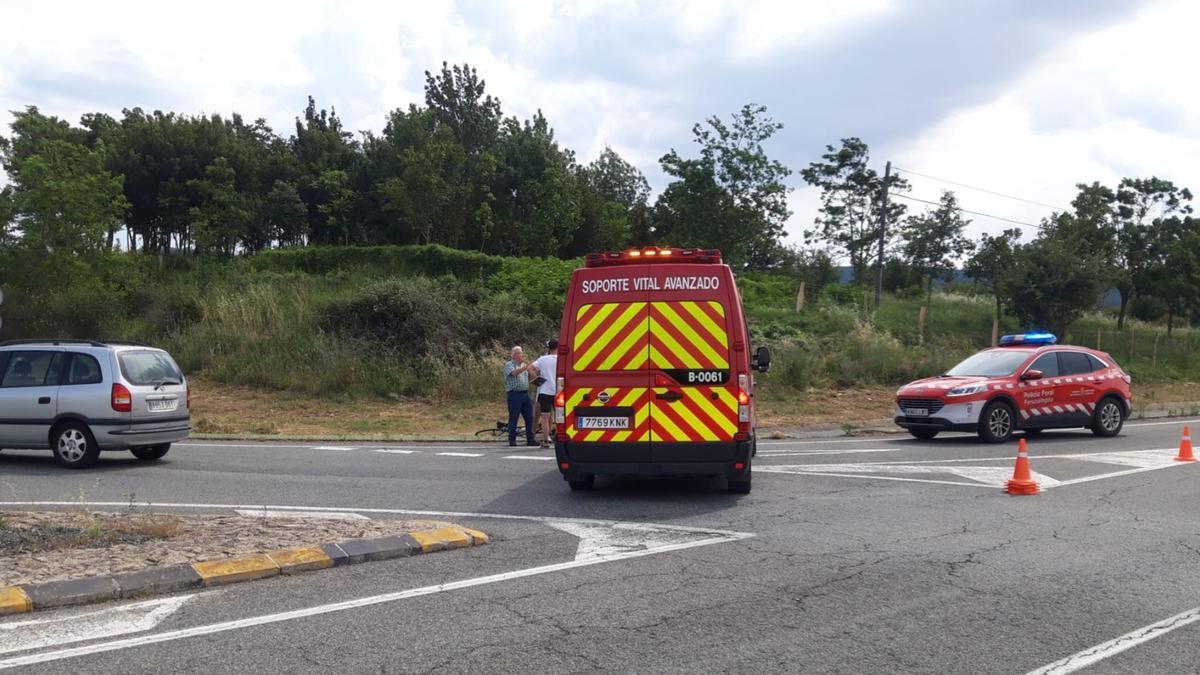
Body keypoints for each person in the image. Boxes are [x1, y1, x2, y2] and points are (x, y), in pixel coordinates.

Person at [502, 346, 538, 447]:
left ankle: (530, 439)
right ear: (513, 355)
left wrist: (535, 375)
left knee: (530, 417)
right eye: (518, 353)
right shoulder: (509, 364)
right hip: (514, 395)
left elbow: (529, 377)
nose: (521, 354)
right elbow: (513, 373)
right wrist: (524, 368)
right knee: (514, 417)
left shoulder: (524, 365)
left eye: (521, 352)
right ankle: (512, 440)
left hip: (525, 394)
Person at [529, 339, 559, 448]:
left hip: (545, 391)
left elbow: (530, 368)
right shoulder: (561, 359)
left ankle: (545, 441)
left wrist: (537, 378)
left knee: (545, 417)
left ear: (548, 348)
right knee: (559, 417)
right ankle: (560, 438)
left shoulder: (543, 359)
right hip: (558, 391)